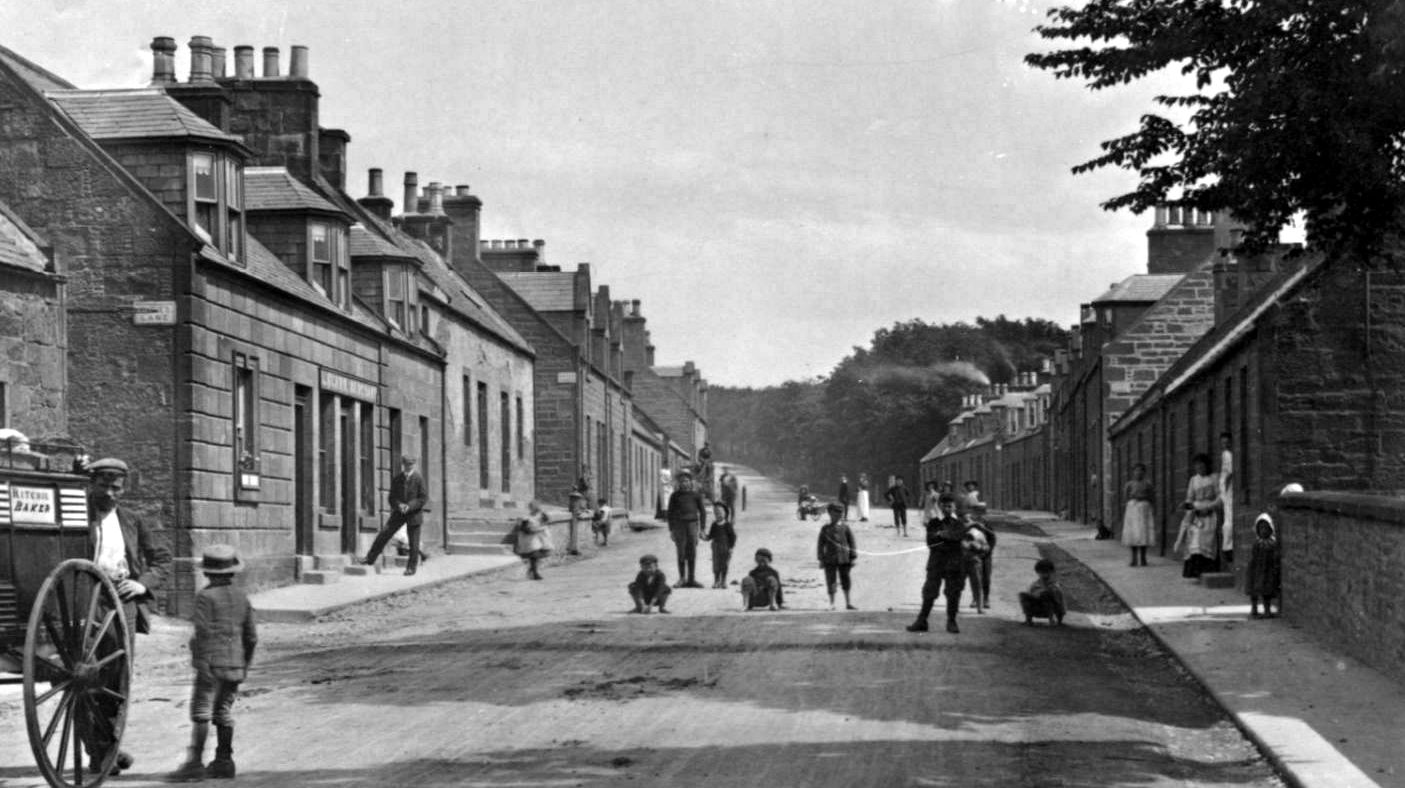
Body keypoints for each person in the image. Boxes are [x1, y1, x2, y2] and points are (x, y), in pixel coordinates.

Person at [83, 457, 172, 776]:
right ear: (92, 485)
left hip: (122, 601)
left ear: (123, 489)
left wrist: (141, 583)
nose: (110, 493)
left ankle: (106, 746)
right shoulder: (80, 517)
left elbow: (162, 561)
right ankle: (100, 749)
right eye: (104, 486)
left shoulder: (133, 520)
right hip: (85, 599)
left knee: (117, 677)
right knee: (83, 676)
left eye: (116, 487)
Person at [167, 545, 258, 781]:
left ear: (207, 573)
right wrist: (244, 665)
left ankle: (195, 763)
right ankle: (224, 761)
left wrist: (201, 663)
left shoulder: (205, 597)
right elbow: (251, 637)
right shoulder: (242, 597)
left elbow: (202, 633)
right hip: (235, 665)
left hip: (211, 665)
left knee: (201, 712)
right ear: (232, 572)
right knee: (224, 712)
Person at [906, 493, 968, 634]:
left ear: (954, 507)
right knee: (929, 591)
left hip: (954, 563)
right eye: (944, 505)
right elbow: (931, 542)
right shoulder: (934, 523)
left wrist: (942, 535)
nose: (947, 508)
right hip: (937, 562)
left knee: (953, 593)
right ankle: (922, 621)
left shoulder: (959, 523)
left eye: (950, 506)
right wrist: (948, 539)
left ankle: (951, 621)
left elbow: (959, 537)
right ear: (940, 506)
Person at [361, 455, 430, 576]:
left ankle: (411, 568)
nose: (408, 467)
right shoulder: (397, 479)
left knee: (413, 542)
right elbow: (391, 498)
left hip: (414, 514)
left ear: (414, 465)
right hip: (399, 513)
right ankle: (370, 559)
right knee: (384, 533)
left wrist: (409, 506)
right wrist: (399, 505)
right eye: (406, 465)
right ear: (403, 465)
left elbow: (423, 498)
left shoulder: (419, 479)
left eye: (410, 465)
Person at [1173, 453, 1221, 578]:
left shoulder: (1214, 478)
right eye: (1197, 466)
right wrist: (1187, 505)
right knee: (1193, 534)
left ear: (1207, 465)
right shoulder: (1194, 480)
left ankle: (1206, 569)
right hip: (1195, 514)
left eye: (1202, 466)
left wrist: (1209, 507)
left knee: (1205, 536)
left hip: (1210, 512)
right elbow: (1190, 498)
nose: (1199, 468)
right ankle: (1194, 571)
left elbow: (1220, 497)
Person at [666, 469, 708, 588]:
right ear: (678, 483)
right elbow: (670, 513)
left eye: (687, 481)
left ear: (691, 482)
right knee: (681, 553)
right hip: (679, 526)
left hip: (692, 525)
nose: (684, 483)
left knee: (692, 552)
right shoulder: (675, 496)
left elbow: (703, 512)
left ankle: (691, 579)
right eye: (682, 481)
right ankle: (682, 579)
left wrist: (702, 529)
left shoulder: (695, 495)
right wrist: (672, 530)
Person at [817, 502, 858, 610]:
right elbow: (820, 545)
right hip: (830, 560)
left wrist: (853, 557)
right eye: (835, 514)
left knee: (846, 580)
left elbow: (852, 542)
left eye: (840, 514)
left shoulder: (845, 528)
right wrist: (821, 559)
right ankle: (832, 603)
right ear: (830, 514)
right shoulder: (825, 529)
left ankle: (848, 603)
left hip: (844, 559)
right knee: (831, 581)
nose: (838, 516)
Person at [1121, 463, 1155, 567]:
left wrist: (1146, 502)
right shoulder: (1129, 485)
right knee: (1133, 532)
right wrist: (1131, 502)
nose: (1138, 472)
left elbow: (1152, 497)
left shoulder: (1148, 484)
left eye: (1141, 470)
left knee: (1143, 532)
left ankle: (1143, 557)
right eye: (1136, 470)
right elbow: (1125, 497)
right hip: (1133, 509)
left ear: (1144, 472)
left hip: (1144, 509)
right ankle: (1134, 558)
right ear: (1133, 472)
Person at [1018, 558, 1066, 626]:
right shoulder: (1034, 585)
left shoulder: (1055, 585)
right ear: (1038, 572)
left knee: (1046, 594)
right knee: (1022, 595)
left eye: (1046, 572)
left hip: (1051, 611)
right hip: (1037, 609)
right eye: (1042, 572)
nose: (1044, 574)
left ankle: (1052, 620)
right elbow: (1030, 595)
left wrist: (1060, 620)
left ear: (1052, 572)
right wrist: (1035, 595)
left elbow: (1061, 604)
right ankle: (1028, 620)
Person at [704, 500, 738, 589]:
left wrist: (731, 547)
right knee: (716, 565)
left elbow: (733, 537)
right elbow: (710, 536)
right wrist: (704, 537)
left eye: (720, 512)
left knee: (724, 564)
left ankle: (723, 581)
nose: (718, 514)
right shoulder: (714, 525)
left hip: (725, 547)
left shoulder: (727, 525)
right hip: (716, 547)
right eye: (716, 513)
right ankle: (716, 581)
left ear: (725, 513)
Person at [512, 513, 553, 580]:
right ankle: (534, 572)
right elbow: (527, 530)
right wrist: (538, 529)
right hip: (526, 544)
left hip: (533, 543)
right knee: (534, 555)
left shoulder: (536, 522)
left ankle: (532, 570)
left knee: (540, 553)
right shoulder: (527, 521)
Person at [962, 521, 990, 614]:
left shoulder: (980, 535)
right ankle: (953, 606)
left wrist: (979, 548)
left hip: (974, 562)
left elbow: (986, 547)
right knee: (957, 585)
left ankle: (979, 607)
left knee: (977, 584)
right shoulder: (961, 533)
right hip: (962, 562)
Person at [1219, 432, 1236, 565]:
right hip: (1225, 490)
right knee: (1227, 518)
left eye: (1227, 442)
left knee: (1228, 520)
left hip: (1228, 490)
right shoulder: (1225, 454)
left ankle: (1228, 548)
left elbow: (1230, 473)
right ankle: (1227, 547)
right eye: (1223, 442)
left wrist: (1225, 487)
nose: (1225, 445)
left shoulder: (1228, 455)